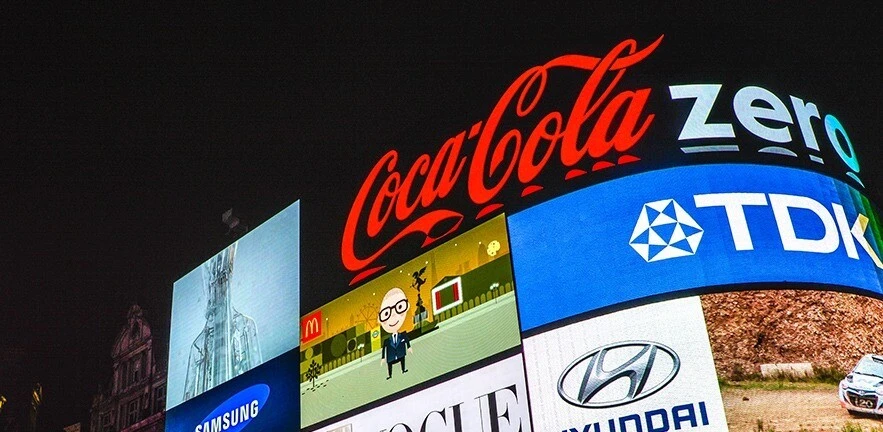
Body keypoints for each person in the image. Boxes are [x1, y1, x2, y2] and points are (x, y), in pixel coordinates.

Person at [378, 287, 413, 379]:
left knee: (402, 360)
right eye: (386, 313)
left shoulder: (402, 335)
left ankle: (403, 370)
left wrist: (409, 347)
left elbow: (406, 340)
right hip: (391, 357)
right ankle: (390, 375)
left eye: (399, 307)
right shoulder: (387, 341)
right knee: (390, 365)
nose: (393, 316)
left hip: (400, 354)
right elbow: (384, 349)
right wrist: (383, 358)